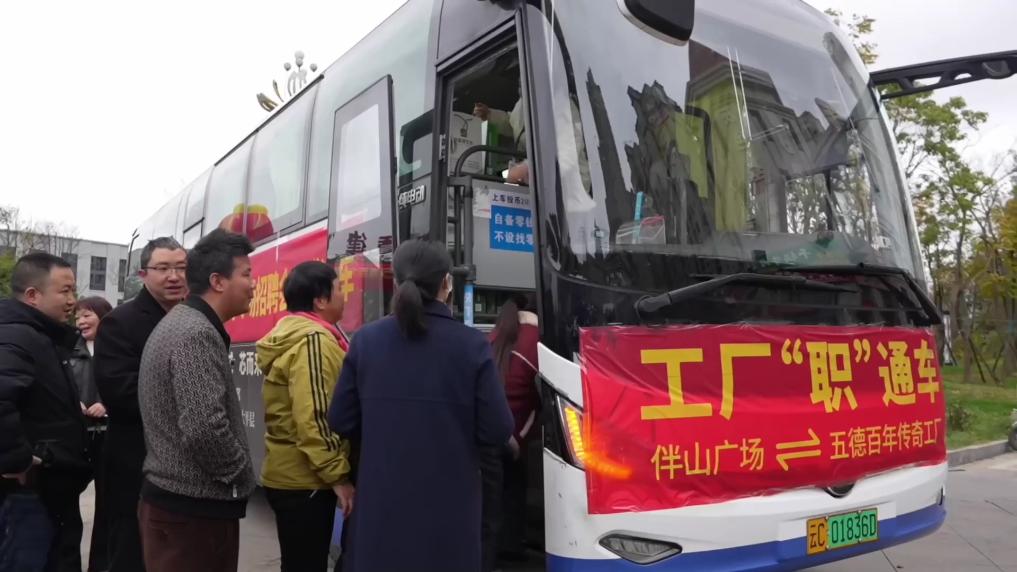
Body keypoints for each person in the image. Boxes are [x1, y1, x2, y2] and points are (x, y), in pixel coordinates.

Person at [328, 239, 514, 572]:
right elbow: (498, 429)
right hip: (450, 518)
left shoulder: (366, 341)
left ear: (398, 282)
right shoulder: (472, 345)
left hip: (380, 511)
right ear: (447, 283)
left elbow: (341, 419)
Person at [136, 229, 256, 572]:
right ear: (218, 281)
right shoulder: (196, 333)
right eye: (246, 274)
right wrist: (241, 474)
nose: (253, 285)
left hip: (179, 508)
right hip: (191, 514)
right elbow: (204, 428)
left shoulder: (184, 323)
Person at [93, 236, 187, 572]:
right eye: (163, 268)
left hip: (183, 464)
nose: (174, 276)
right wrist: (190, 399)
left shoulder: (193, 318)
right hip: (135, 460)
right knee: (132, 550)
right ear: (144, 274)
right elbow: (120, 392)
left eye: (181, 268)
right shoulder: (121, 321)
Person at [256, 261, 354, 572]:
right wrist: (338, 476)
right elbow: (314, 417)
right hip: (304, 480)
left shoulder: (299, 334)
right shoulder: (313, 341)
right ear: (320, 300)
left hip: (294, 477)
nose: (344, 295)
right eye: (339, 288)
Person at [0, 253, 92, 572]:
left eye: (73, 290)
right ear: (32, 295)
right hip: (28, 495)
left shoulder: (41, 334)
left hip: (49, 492)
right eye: (64, 291)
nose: (72, 300)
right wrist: (17, 460)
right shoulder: (17, 335)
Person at [488, 293, 540, 563]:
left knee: (492, 492)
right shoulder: (538, 339)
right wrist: (518, 438)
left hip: (487, 427)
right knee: (513, 487)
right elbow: (537, 399)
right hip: (513, 431)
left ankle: (494, 551)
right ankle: (510, 547)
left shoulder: (497, 333)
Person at [69, 296, 114, 572]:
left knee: (107, 506)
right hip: (78, 436)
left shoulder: (117, 349)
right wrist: (72, 401)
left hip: (109, 435)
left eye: (87, 315)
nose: (81, 321)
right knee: (66, 503)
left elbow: (131, 384)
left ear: (103, 316)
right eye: (78, 317)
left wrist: (107, 404)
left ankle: (100, 565)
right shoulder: (68, 350)